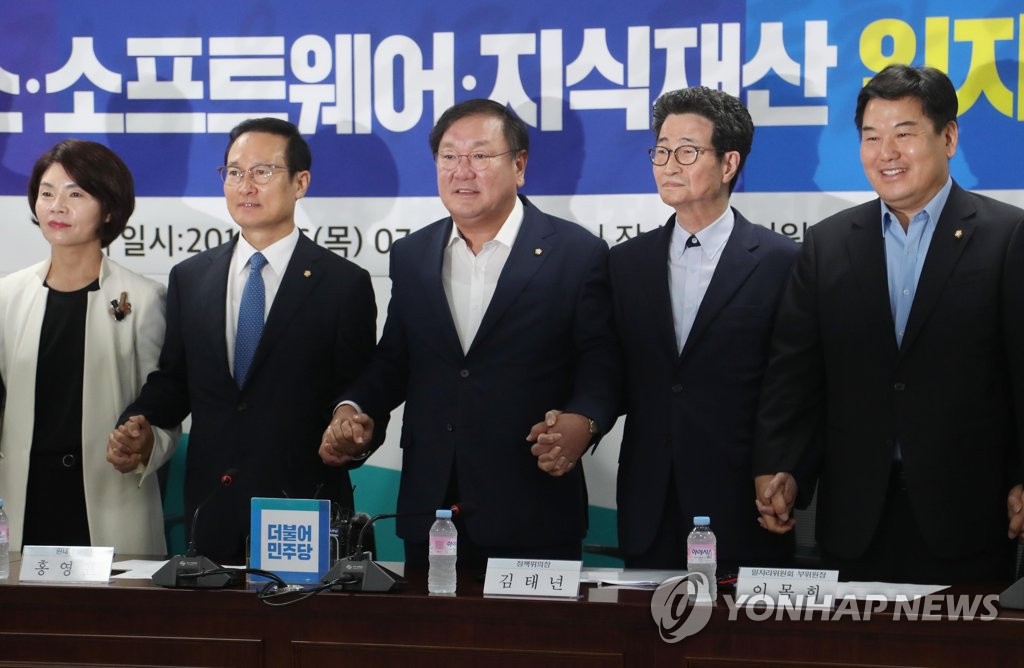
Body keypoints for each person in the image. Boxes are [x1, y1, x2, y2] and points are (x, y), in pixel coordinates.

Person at [319, 99, 619, 569]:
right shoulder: (413, 254)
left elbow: (603, 362)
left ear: (519, 165)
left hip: (533, 503)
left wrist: (585, 421)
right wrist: (353, 408)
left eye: (480, 155)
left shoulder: (577, 253)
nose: (462, 171)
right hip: (431, 507)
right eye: (449, 156)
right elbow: (395, 359)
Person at [754, 64, 1024, 584]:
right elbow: (794, 375)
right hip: (855, 519)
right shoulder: (828, 244)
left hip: (968, 516)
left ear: (948, 137)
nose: (886, 153)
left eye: (904, 134)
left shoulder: (1007, 236)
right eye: (871, 137)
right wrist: (780, 465)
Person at [111, 118, 378, 564]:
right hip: (212, 508)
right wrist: (139, 423)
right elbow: (175, 381)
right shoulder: (191, 278)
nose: (245, 185)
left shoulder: (342, 284)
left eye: (262, 172)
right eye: (234, 172)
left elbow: (359, 392)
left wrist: (352, 436)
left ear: (300, 183)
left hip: (301, 509)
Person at [608, 87, 798, 572]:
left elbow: (793, 384)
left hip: (744, 501)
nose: (668, 165)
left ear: (728, 163)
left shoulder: (782, 262)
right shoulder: (625, 264)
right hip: (648, 504)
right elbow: (609, 372)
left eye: (687, 151)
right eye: (661, 151)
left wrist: (780, 469)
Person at [0, 139, 178, 554]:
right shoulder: (8, 295)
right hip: (26, 502)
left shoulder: (144, 299)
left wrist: (144, 444)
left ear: (109, 209)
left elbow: (165, 405)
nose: (57, 207)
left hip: (110, 499)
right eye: (47, 193)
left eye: (75, 194)